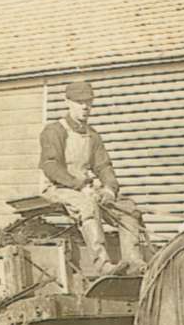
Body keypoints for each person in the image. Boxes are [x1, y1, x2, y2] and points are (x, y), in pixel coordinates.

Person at [38, 80, 147, 276]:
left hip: (85, 189)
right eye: (79, 102)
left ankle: (134, 262)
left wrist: (109, 189)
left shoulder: (93, 136)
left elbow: (104, 166)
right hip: (57, 189)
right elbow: (50, 166)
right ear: (67, 102)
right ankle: (103, 265)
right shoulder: (54, 131)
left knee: (129, 210)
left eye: (88, 102)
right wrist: (79, 186)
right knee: (88, 206)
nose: (85, 107)